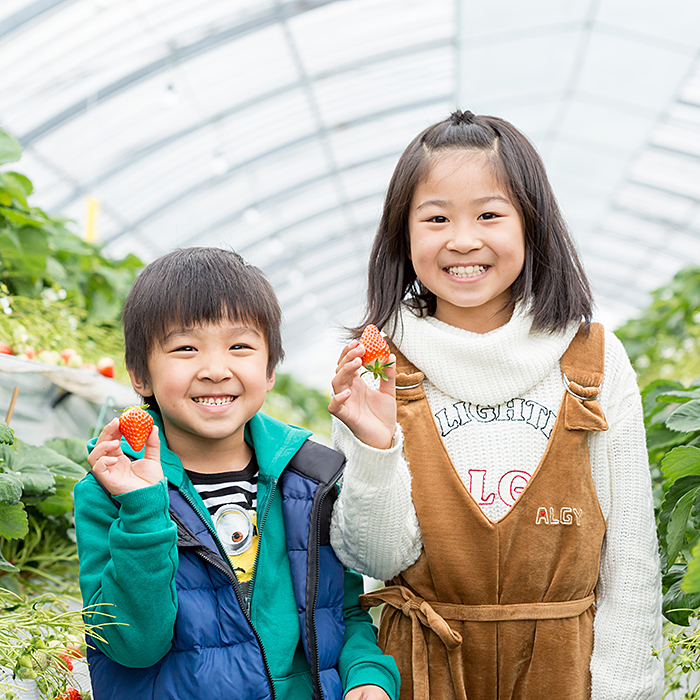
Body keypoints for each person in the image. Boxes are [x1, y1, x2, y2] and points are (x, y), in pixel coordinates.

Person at [328, 111, 663, 700]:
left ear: (531, 227)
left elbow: (631, 560)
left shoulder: (593, 359)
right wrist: (376, 446)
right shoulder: (379, 367)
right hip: (423, 675)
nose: (463, 239)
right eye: (436, 218)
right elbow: (373, 556)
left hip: (567, 674)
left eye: (489, 214)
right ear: (402, 237)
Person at [74, 247, 400, 700]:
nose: (214, 370)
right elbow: (131, 646)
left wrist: (368, 674)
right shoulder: (109, 492)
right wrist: (143, 510)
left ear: (269, 371)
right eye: (185, 348)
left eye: (239, 346)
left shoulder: (309, 480)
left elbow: (342, 613)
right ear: (139, 374)